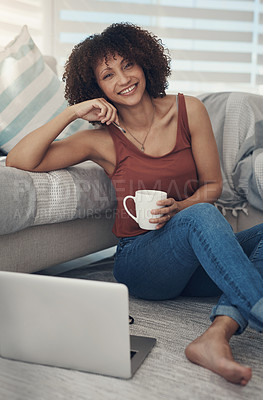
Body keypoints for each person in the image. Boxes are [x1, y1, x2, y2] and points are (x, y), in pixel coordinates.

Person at [6, 22, 263, 386]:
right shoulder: (101, 141)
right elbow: (19, 160)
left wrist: (181, 207)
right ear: (96, 89)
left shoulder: (188, 110)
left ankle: (216, 335)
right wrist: (71, 113)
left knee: (216, 218)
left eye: (128, 65)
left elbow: (213, 185)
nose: (123, 79)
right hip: (142, 262)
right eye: (108, 75)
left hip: (193, 262)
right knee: (200, 215)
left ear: (145, 63)